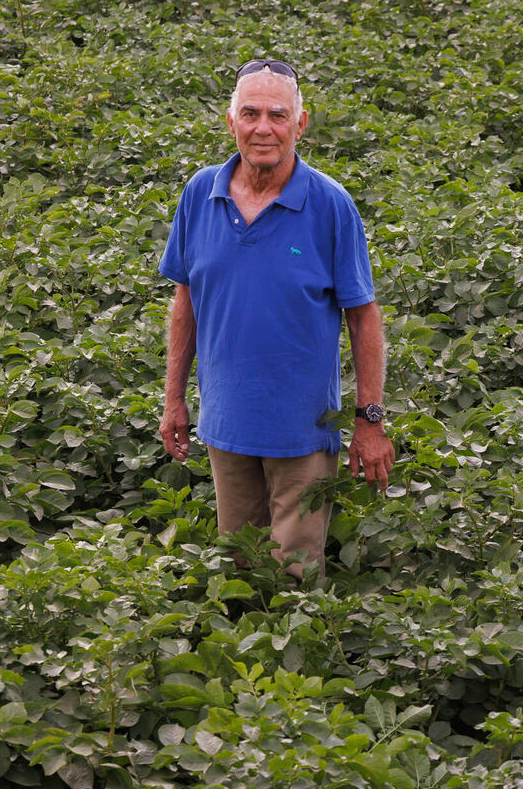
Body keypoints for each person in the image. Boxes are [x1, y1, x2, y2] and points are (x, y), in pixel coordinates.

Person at [157, 58, 394, 580]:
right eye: (251, 113)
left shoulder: (330, 206)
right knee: (239, 570)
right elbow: (186, 299)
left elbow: (364, 318)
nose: (263, 128)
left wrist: (369, 420)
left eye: (278, 115)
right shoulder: (200, 193)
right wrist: (174, 398)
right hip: (225, 425)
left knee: (295, 579)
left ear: (300, 125)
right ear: (231, 121)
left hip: (302, 434)